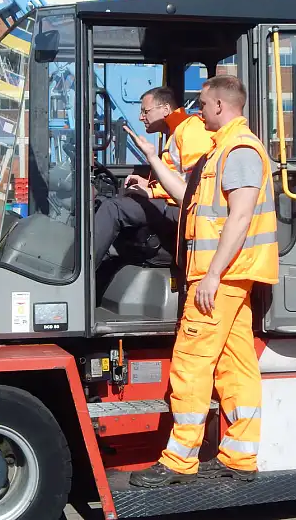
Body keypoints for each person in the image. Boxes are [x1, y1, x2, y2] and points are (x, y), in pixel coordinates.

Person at [123, 74, 279, 488]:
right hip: (226, 278)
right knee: (235, 366)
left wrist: (211, 276)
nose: (197, 111)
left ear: (221, 107)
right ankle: (240, 457)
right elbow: (188, 197)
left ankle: (179, 460)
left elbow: (241, 217)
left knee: (192, 364)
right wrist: (152, 164)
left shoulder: (240, 150)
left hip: (219, 278)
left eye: (203, 105)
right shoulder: (221, 151)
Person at [93, 86, 212, 269]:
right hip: (173, 202)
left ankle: (82, 273)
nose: (141, 117)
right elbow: (177, 176)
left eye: (145, 111)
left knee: (113, 209)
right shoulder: (173, 133)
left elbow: (196, 183)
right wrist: (149, 185)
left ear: (165, 109)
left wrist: (152, 191)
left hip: (183, 209)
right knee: (111, 200)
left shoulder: (191, 130)